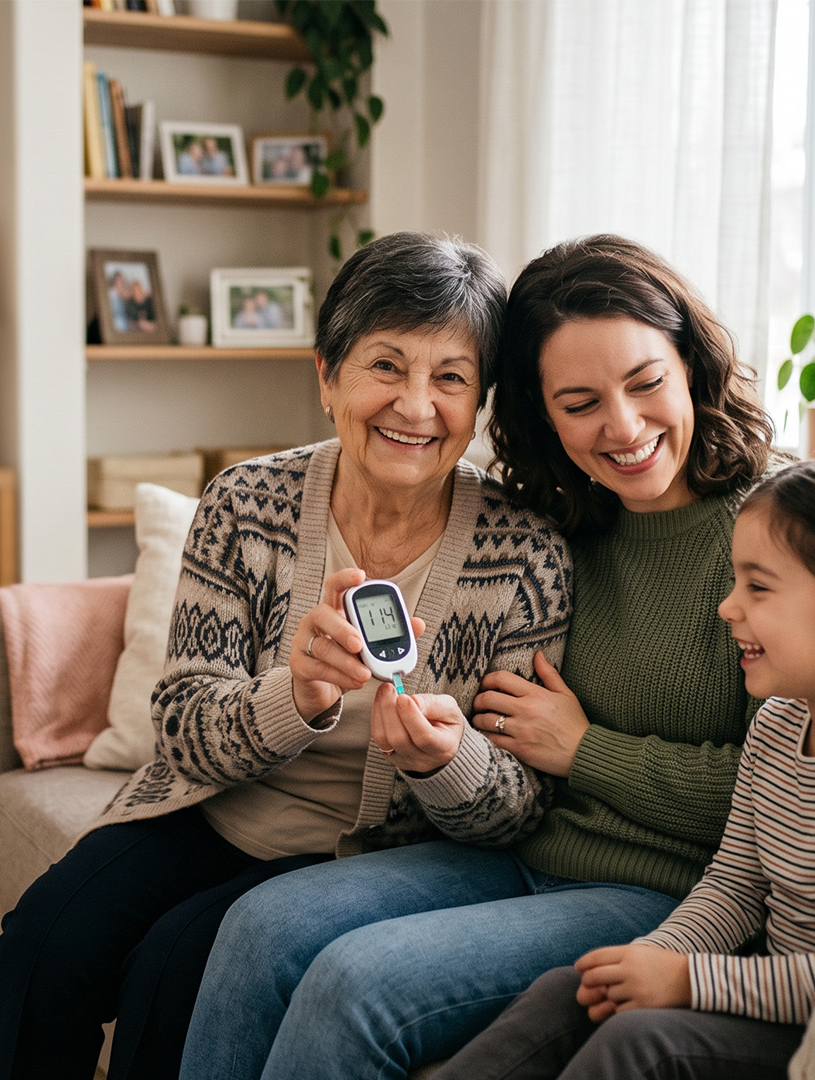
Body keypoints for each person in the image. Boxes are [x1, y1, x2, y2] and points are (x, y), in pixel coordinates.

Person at [0, 232, 573, 1080]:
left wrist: (450, 761)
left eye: (450, 377)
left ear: (479, 404)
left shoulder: (526, 555)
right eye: (386, 366)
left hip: (365, 864)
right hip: (211, 810)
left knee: (169, 977)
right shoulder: (247, 504)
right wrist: (295, 696)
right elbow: (180, 727)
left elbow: (521, 809)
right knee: (44, 940)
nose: (415, 405)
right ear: (327, 376)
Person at [181, 234, 780, 1080]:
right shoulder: (574, 526)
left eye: (646, 383)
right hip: (518, 857)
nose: (623, 426)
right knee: (258, 926)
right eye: (580, 403)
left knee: (357, 984)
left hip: (671, 896)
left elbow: (788, 795)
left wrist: (585, 751)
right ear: (541, 415)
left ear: (692, 367)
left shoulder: (777, 538)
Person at [433, 452, 815, 1080]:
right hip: (775, 998)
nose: (729, 608)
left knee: (643, 1043)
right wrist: (650, 959)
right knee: (570, 992)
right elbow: (734, 884)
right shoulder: (782, 720)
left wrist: (689, 980)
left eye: (758, 588)